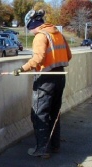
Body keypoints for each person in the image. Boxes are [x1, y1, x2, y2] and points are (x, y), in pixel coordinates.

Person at [13, 9, 72, 158]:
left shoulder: (41, 36)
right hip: (60, 76)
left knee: (39, 114)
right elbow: (69, 55)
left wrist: (22, 69)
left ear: (32, 24)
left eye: (29, 29)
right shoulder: (57, 34)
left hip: (46, 78)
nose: (30, 32)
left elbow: (38, 59)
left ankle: (42, 150)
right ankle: (55, 145)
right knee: (54, 112)